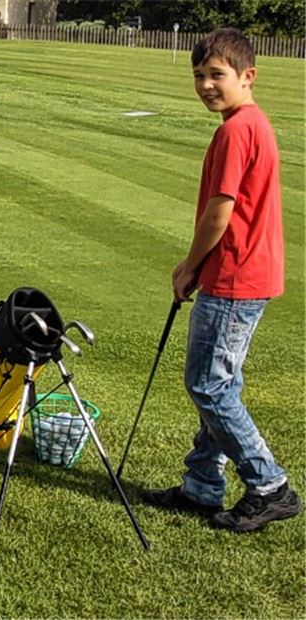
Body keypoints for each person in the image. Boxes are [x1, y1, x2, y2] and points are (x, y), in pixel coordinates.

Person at [143, 29, 301, 532]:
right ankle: (203, 486)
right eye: (199, 76)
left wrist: (189, 265)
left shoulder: (238, 130)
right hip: (245, 274)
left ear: (247, 76)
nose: (207, 85)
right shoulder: (248, 124)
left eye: (217, 75)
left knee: (209, 386)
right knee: (222, 380)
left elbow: (221, 210)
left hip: (236, 275)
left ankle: (269, 484)